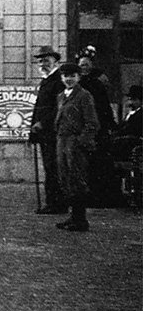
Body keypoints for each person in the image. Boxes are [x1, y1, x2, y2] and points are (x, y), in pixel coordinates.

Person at [54, 62, 100, 232]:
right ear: (61, 77)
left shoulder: (84, 96)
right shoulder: (61, 96)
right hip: (62, 141)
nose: (69, 79)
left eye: (72, 76)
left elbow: (92, 123)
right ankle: (73, 217)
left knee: (77, 179)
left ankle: (81, 220)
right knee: (65, 178)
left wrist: (81, 142)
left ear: (78, 77)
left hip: (75, 143)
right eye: (66, 76)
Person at [77, 52, 119, 206]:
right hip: (82, 128)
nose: (84, 68)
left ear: (91, 67)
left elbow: (104, 107)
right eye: (81, 65)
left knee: (97, 163)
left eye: (86, 65)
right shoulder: (76, 84)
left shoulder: (97, 84)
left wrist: (109, 125)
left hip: (97, 128)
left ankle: (99, 196)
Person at [29, 46, 66, 214]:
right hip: (45, 133)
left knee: (54, 168)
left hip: (54, 132)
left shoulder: (58, 81)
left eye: (46, 60)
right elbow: (40, 107)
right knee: (50, 168)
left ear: (55, 62)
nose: (43, 64)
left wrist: (42, 123)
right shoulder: (46, 80)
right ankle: (52, 202)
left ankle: (57, 204)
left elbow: (58, 108)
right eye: (40, 61)